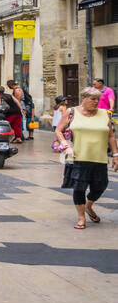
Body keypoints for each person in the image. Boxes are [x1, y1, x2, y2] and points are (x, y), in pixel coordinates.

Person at [55, 88, 118, 229]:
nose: (96, 102)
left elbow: (111, 136)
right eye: (93, 99)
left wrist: (115, 155)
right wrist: (66, 145)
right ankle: (81, 217)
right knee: (79, 188)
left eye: (98, 99)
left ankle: (89, 206)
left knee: (100, 186)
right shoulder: (71, 112)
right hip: (78, 157)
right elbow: (59, 130)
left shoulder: (104, 114)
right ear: (83, 98)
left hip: (100, 158)